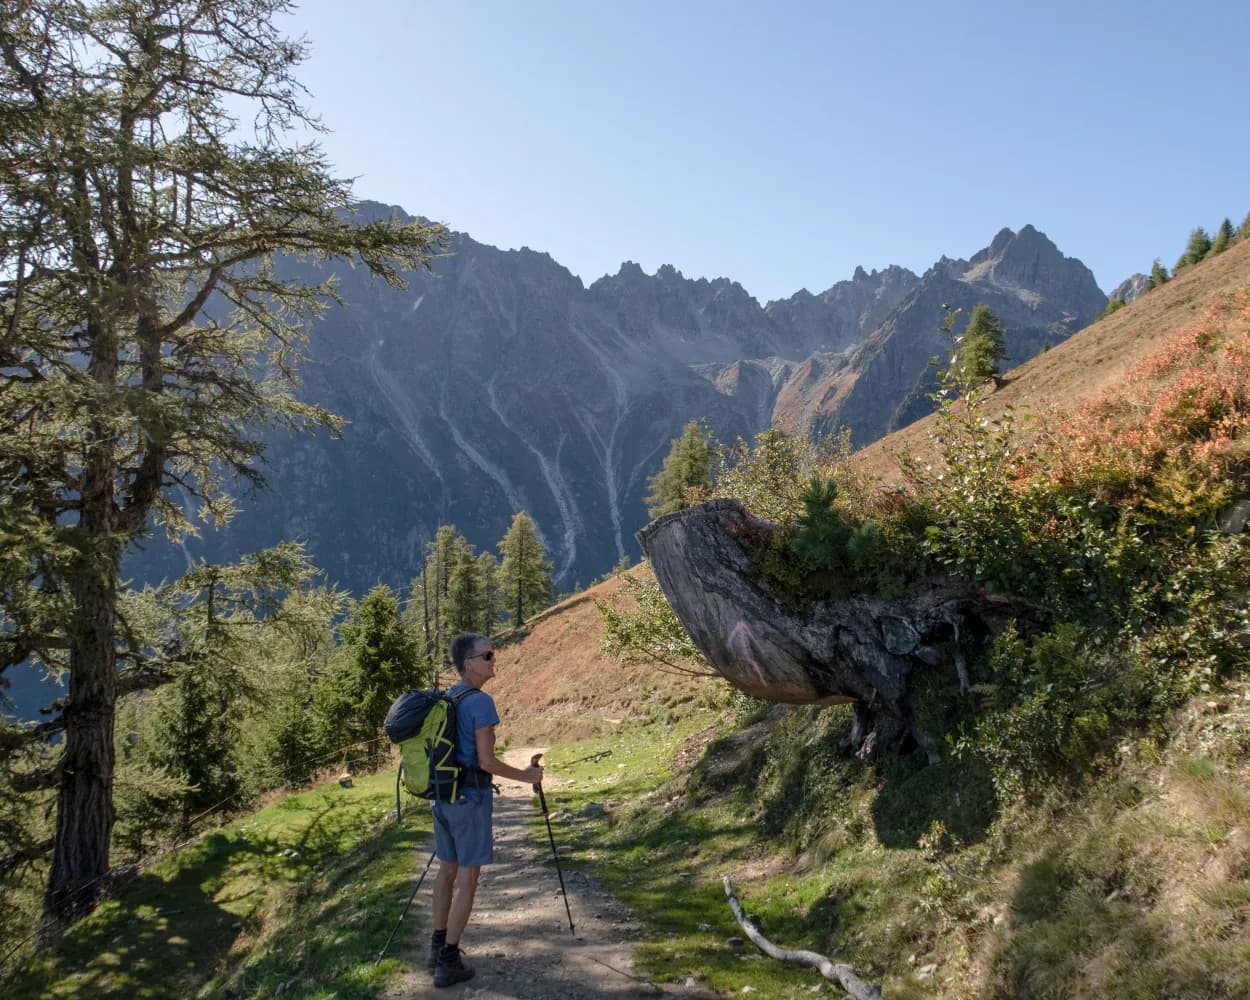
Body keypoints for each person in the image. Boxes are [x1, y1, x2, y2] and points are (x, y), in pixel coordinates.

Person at [427, 632, 544, 988]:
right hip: (471, 800)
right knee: (468, 879)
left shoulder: (447, 697)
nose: (495, 659)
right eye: (488, 655)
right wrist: (526, 777)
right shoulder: (480, 703)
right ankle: (448, 961)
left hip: (442, 798)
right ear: (469, 663)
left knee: (446, 872)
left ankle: (436, 946)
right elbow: (487, 760)